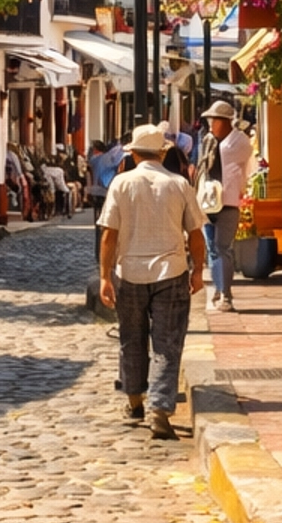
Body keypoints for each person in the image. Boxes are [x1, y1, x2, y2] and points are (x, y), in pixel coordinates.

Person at [97, 120, 206, 442]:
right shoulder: (179, 184)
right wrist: (198, 270)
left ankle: (134, 401)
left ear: (132, 154)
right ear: (162, 153)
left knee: (131, 339)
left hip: (129, 273)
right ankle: (160, 409)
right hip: (171, 272)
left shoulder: (121, 184)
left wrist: (104, 276)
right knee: (167, 345)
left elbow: (109, 235)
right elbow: (196, 235)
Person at [194, 100, 255, 312]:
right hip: (207, 200)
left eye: (215, 119)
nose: (210, 123)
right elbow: (202, 166)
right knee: (212, 248)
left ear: (226, 121)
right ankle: (219, 288)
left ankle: (226, 294)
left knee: (222, 248)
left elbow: (239, 163)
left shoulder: (239, 142)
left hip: (227, 201)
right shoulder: (208, 140)